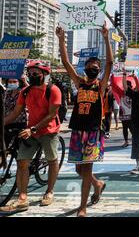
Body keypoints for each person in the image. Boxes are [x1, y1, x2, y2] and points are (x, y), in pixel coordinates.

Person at [56, 24, 112, 217]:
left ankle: (82, 207)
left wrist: (106, 38)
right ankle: (98, 184)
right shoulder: (80, 82)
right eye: (89, 67)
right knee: (80, 169)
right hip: (77, 130)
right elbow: (65, 62)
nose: (92, 69)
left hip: (93, 131)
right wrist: (61, 39)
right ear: (85, 68)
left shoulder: (101, 86)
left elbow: (110, 64)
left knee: (86, 168)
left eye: (95, 68)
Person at [1, 61, 61, 213]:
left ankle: (49, 191)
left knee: (52, 160)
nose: (32, 76)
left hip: (49, 130)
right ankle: (22, 198)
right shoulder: (25, 91)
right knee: (22, 162)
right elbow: (15, 113)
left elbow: (52, 114)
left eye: (36, 74)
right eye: (30, 73)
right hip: (31, 131)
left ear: (44, 74)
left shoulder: (53, 90)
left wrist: (33, 128)